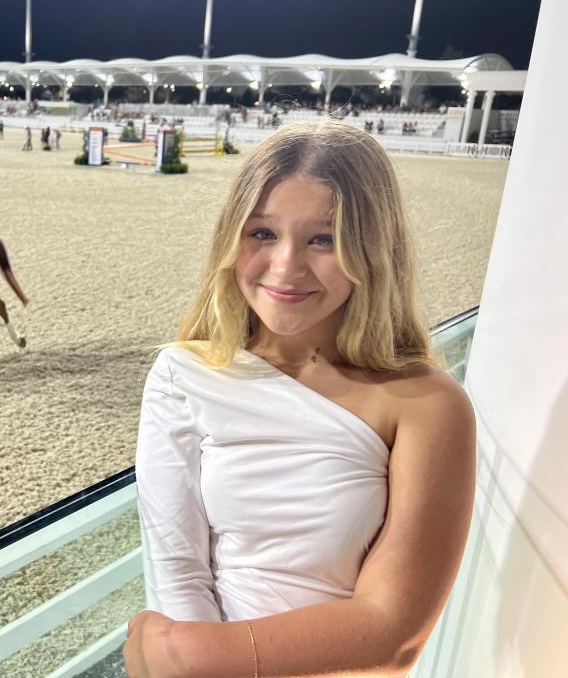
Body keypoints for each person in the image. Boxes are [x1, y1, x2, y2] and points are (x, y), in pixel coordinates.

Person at [125, 122, 475, 677]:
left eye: (324, 239)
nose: (286, 267)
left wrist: (188, 654)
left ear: (373, 250)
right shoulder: (183, 374)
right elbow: (178, 567)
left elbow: (392, 632)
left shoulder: (427, 403)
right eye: (262, 233)